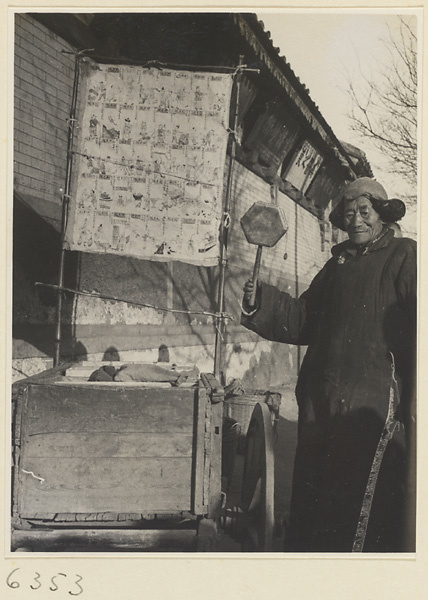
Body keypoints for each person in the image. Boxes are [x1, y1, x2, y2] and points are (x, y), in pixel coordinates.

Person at [241, 177, 416, 552]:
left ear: (381, 214)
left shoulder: (404, 255)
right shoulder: (337, 264)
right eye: (349, 213)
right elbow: (304, 317)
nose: (356, 221)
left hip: (372, 402)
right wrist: (262, 301)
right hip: (322, 398)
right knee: (317, 489)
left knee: (361, 493)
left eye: (364, 212)